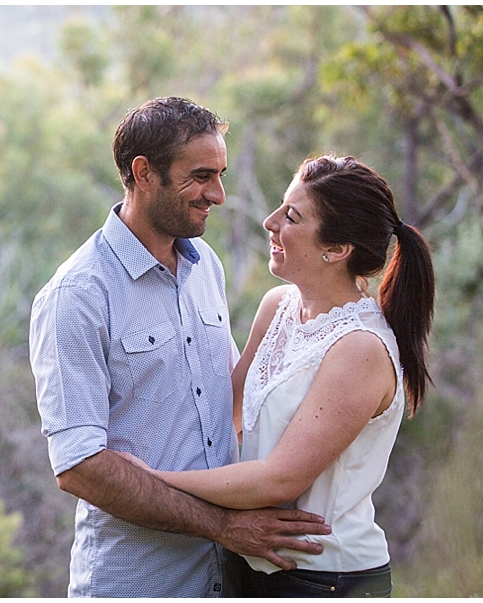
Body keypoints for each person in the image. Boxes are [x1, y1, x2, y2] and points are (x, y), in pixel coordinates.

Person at [28, 97, 331, 598]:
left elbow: (226, 405)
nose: (219, 194)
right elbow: (80, 467)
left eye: (222, 174)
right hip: (139, 584)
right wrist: (221, 526)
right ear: (143, 173)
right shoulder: (77, 296)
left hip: (233, 577)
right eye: (201, 176)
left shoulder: (205, 264)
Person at [118, 155, 436, 597]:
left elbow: (281, 478)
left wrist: (150, 482)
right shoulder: (278, 307)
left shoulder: (360, 348)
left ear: (337, 249)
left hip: (324, 577)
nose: (270, 223)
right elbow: (222, 416)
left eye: (291, 216)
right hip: (249, 562)